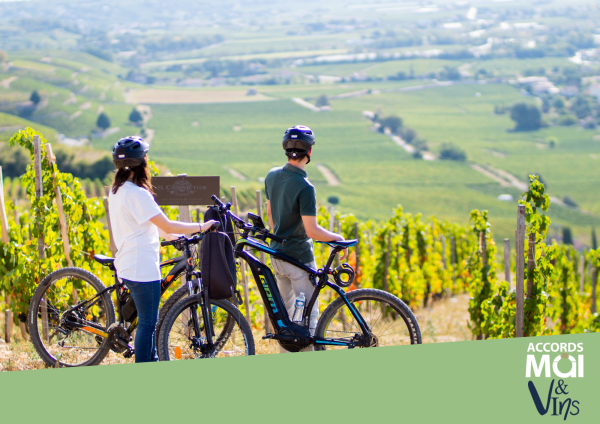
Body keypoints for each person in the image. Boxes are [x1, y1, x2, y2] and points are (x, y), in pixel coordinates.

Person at [108, 136, 217, 363]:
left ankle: (152, 360)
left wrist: (171, 236)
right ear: (142, 164)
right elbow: (166, 224)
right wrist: (202, 226)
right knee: (148, 324)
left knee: (147, 322)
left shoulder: (118, 190)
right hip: (142, 268)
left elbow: (150, 225)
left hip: (129, 263)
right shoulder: (139, 194)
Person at [264, 125, 347, 353]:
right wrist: (337, 237)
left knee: (287, 323)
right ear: (309, 152)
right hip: (299, 260)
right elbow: (312, 231)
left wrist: (281, 238)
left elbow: (270, 213)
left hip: (277, 257)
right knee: (308, 325)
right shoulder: (305, 187)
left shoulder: (271, 176)